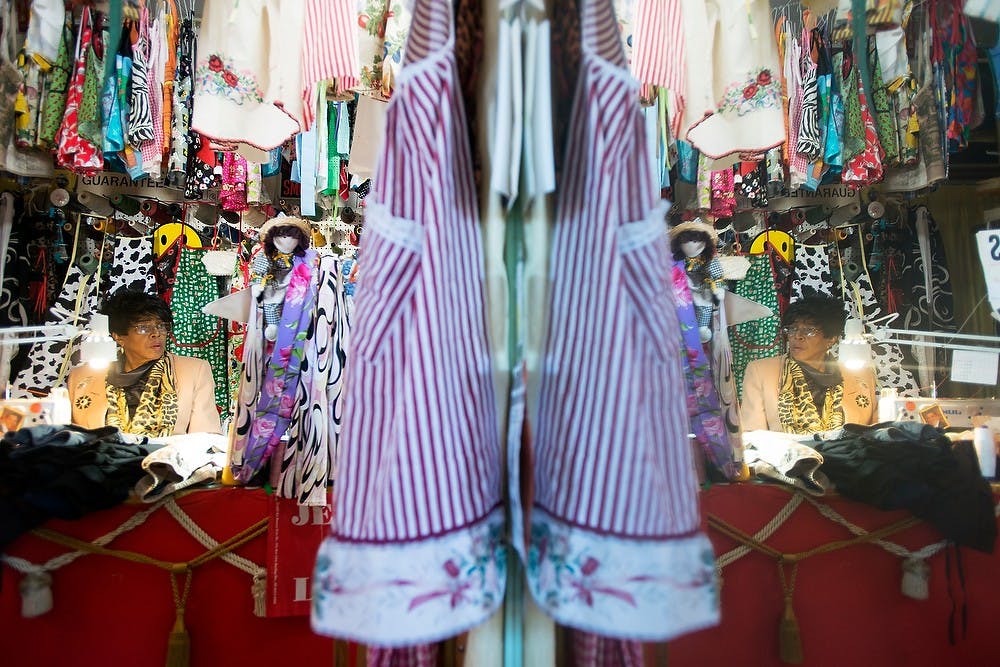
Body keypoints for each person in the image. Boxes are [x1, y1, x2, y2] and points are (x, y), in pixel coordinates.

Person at [67, 289, 222, 436]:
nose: (156, 334)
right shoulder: (82, 376)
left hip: (165, 461)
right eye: (143, 328)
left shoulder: (194, 370)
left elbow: (206, 438)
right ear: (119, 337)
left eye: (161, 326)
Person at [741, 295, 876, 434]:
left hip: (850, 454)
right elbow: (754, 436)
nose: (797, 336)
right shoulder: (761, 371)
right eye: (792, 329)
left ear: (831, 339)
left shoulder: (861, 375)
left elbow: (877, 435)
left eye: (809, 330)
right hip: (790, 454)